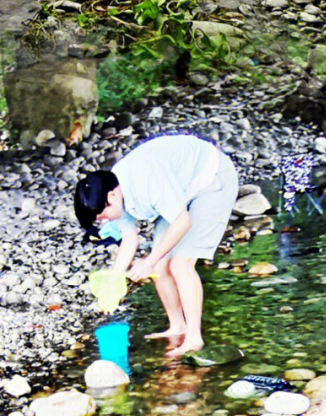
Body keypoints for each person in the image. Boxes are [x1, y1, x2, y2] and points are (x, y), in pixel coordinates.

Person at [73, 134, 238, 356]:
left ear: (112, 196)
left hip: (211, 179)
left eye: (101, 215)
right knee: (160, 268)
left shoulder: (145, 181)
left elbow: (182, 222)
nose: (103, 221)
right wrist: (113, 283)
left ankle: (194, 337)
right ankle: (177, 325)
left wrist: (148, 261)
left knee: (180, 265)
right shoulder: (112, 191)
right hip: (180, 190)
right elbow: (130, 238)